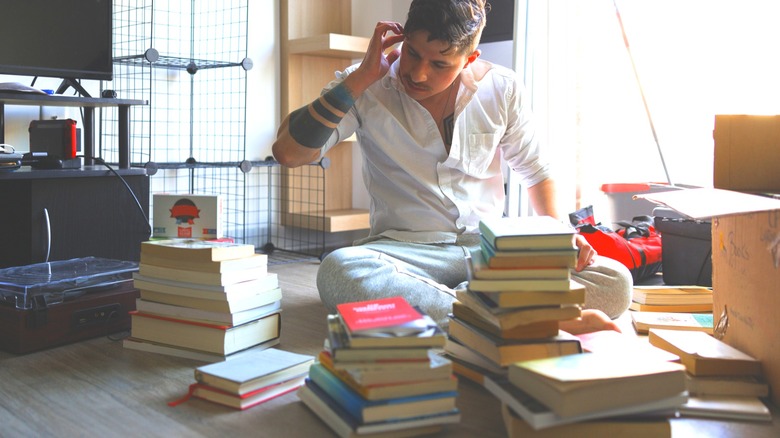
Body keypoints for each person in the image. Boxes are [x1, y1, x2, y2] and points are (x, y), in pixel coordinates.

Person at [272, 0, 632, 334]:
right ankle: (519, 315)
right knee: (340, 271)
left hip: (491, 250)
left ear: (470, 58)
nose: (418, 73)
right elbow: (289, 153)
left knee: (614, 280)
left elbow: (536, 173)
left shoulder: (502, 88)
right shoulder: (365, 83)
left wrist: (558, 237)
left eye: (440, 64)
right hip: (405, 251)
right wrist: (358, 79)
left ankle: (468, 312)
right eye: (412, 53)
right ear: (401, 37)